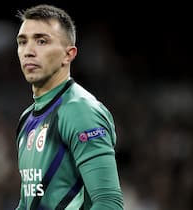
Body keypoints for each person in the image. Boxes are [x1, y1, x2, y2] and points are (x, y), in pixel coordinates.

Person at [14, 4, 123, 210]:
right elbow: (28, 202)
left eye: (41, 41)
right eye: (22, 42)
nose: (28, 51)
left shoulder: (79, 111)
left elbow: (109, 203)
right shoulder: (27, 118)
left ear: (68, 54)